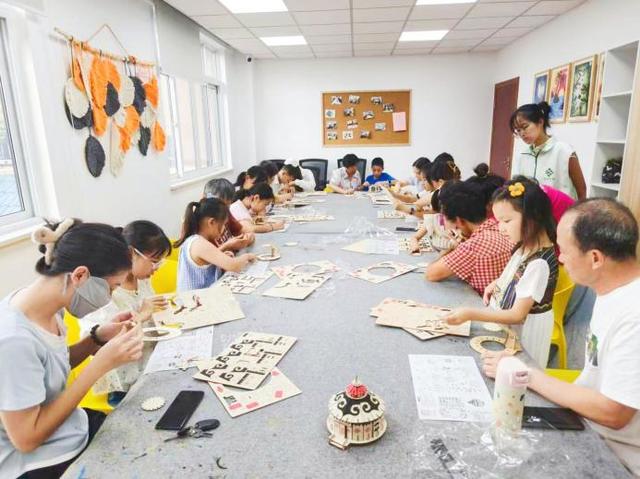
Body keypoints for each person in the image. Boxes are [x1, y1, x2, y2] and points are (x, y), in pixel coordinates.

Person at [482, 198, 640, 475]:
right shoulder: (610, 291)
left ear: (595, 258)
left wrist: (528, 375)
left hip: (618, 457)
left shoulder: (633, 314)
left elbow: (613, 412)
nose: (561, 258)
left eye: (564, 251)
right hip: (588, 424)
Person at [0, 220, 143, 478]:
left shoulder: (46, 306)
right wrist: (98, 366)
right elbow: (26, 439)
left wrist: (96, 338)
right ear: (80, 275)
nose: (110, 298)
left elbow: (51, 366)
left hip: (71, 429)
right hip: (39, 462)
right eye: (112, 287)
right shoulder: (12, 341)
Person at [445, 177, 559, 368]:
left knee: (518, 372)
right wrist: (498, 282)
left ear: (533, 216)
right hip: (511, 328)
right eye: (498, 221)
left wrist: (471, 313)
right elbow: (517, 275)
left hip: (526, 332)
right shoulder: (525, 245)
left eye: (506, 221)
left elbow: (517, 315)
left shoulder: (539, 263)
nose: (501, 228)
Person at [79, 221, 171, 399]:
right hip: (126, 382)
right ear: (131, 253)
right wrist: (142, 315)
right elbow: (103, 341)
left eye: (160, 262)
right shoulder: (105, 288)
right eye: (154, 261)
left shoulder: (142, 279)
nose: (156, 268)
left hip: (151, 365)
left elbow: (151, 311)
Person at [425, 181, 512, 295]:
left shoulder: (473, 246)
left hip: (483, 303)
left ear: (460, 220)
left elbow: (431, 274)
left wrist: (451, 248)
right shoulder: (497, 227)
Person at [175, 198, 256, 291]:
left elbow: (206, 258)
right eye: (223, 224)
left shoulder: (196, 240)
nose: (223, 229)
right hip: (196, 298)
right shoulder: (199, 243)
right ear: (212, 222)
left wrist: (222, 252)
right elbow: (234, 266)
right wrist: (248, 256)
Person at [510, 101, 587, 200]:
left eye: (525, 127)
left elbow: (581, 190)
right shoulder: (522, 155)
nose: (522, 133)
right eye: (518, 130)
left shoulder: (564, 151)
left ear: (540, 122)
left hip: (562, 209)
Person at [203, 178, 255, 252]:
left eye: (227, 206)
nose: (223, 210)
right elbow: (208, 258)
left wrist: (248, 237)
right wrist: (227, 246)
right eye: (220, 205)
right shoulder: (200, 226)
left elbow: (240, 231)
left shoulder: (225, 211)